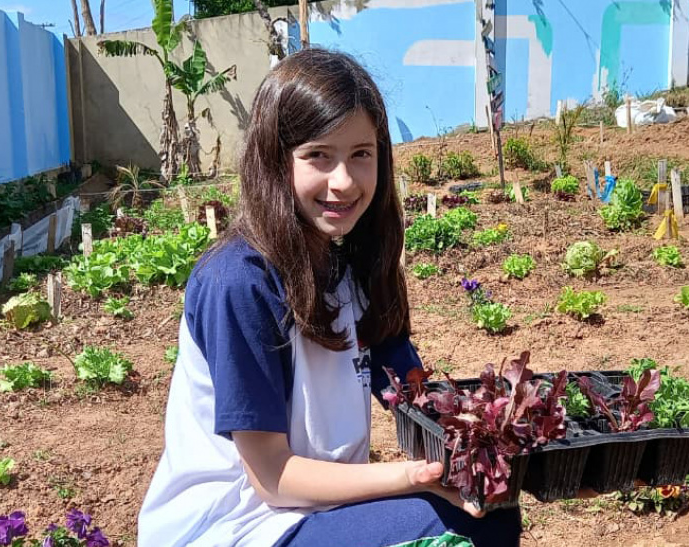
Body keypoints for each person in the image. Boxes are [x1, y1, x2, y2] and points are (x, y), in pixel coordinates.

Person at [137, 49, 522, 547]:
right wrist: (415, 477)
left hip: (311, 512)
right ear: (276, 160)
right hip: (233, 526)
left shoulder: (349, 269)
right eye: (319, 155)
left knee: (492, 509)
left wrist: (510, 433)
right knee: (463, 526)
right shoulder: (238, 281)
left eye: (361, 154)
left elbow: (411, 393)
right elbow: (272, 477)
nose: (343, 180)